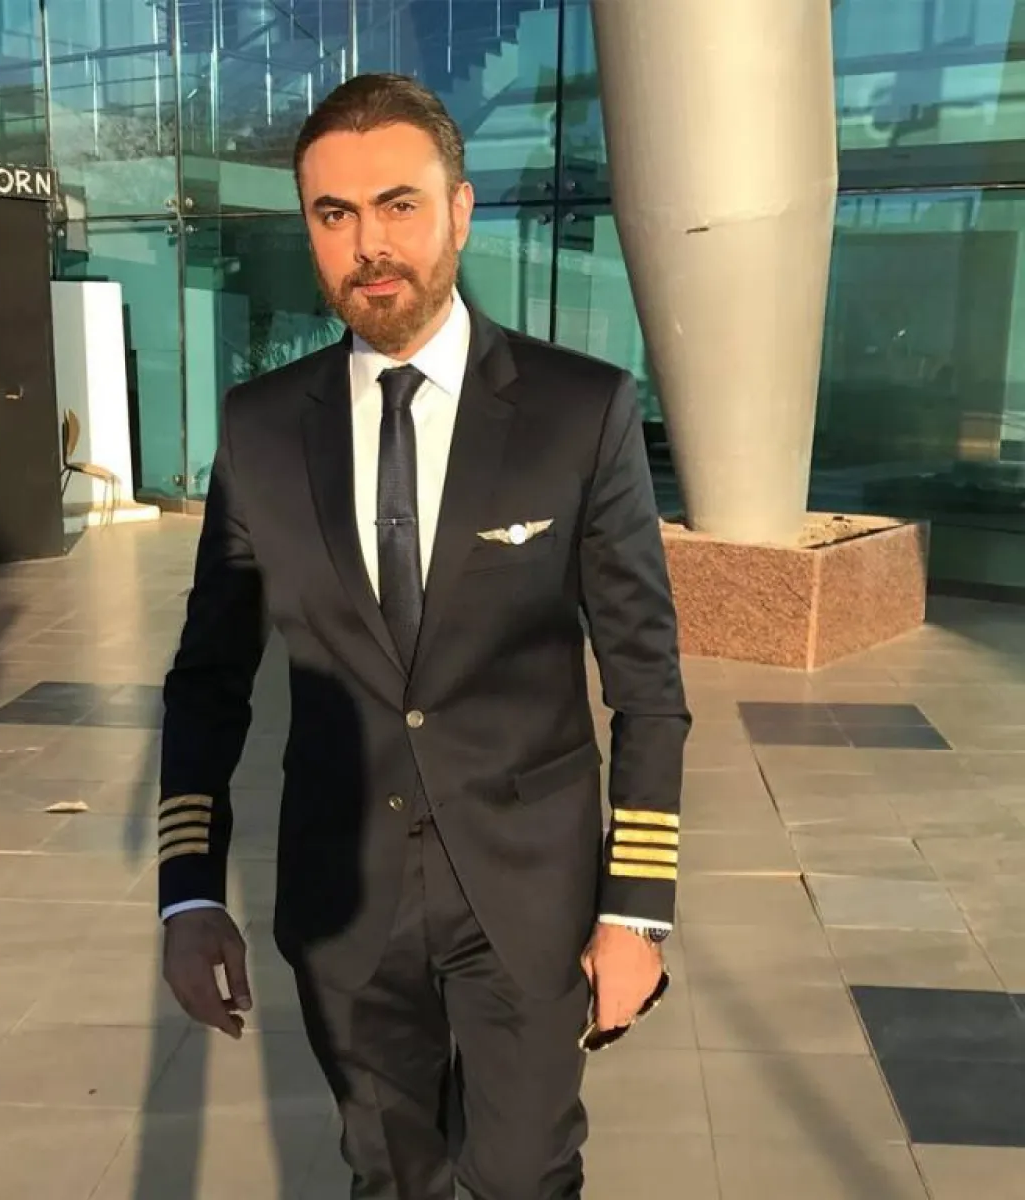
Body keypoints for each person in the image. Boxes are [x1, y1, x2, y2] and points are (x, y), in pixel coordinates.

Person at [158, 73, 690, 1200]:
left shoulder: (579, 411)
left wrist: (637, 907)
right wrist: (189, 891)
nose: (370, 245)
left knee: (524, 1174)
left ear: (459, 210)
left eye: (398, 204)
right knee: (390, 1175)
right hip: (345, 897)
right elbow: (208, 678)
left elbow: (646, 681)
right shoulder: (261, 431)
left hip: (528, 894)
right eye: (334, 214)